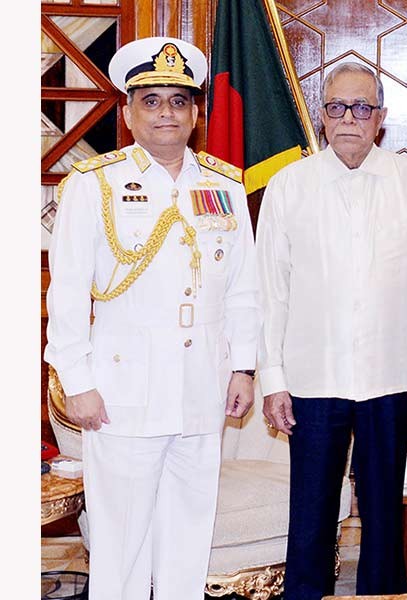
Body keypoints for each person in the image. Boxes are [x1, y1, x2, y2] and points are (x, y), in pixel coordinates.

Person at [43, 36, 260, 599]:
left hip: (201, 390)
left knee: (189, 534)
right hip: (122, 393)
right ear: (128, 112)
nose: (167, 112)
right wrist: (80, 383)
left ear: (196, 113)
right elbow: (66, 298)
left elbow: (243, 289)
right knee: (122, 542)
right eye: (152, 100)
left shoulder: (225, 185)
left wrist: (243, 368)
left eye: (179, 101)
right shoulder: (95, 185)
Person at [256, 62, 407, 600]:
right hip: (312, 380)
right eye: (337, 107)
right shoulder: (288, 187)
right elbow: (270, 291)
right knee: (312, 518)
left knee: (385, 516)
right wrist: (272, 378)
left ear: (381, 119)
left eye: (362, 107)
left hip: (389, 379)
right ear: (322, 117)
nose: (349, 118)